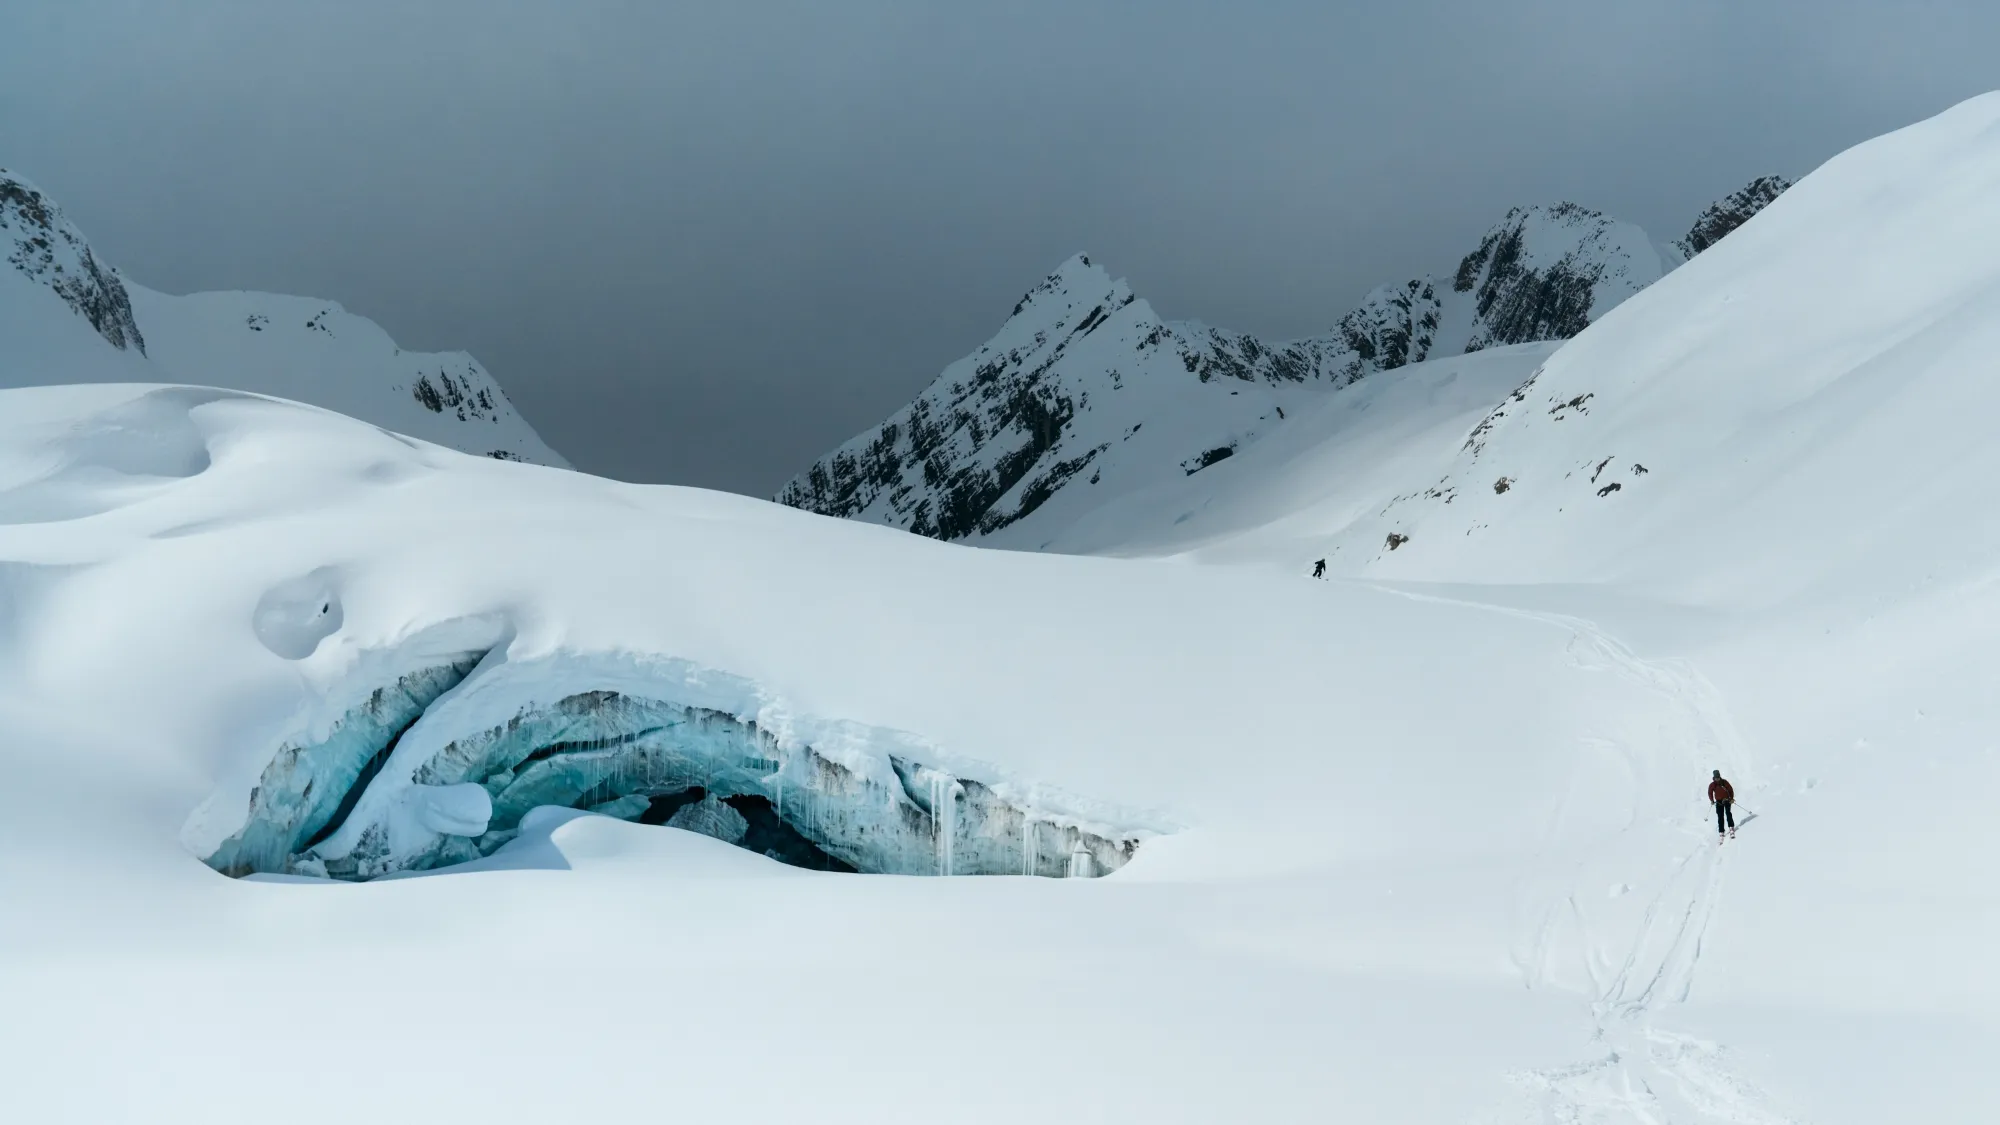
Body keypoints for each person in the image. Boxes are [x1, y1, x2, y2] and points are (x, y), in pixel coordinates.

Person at [1707, 769, 1736, 840]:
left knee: (1728, 813)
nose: (1717, 779)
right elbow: (1710, 792)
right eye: (1716, 777)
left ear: (1720, 776)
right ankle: (1721, 831)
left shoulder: (1724, 782)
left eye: (1718, 777)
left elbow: (1730, 790)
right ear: (1714, 777)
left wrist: (1731, 798)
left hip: (1726, 800)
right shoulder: (1712, 785)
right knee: (1720, 816)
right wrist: (1712, 800)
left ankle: (1731, 827)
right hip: (1718, 802)